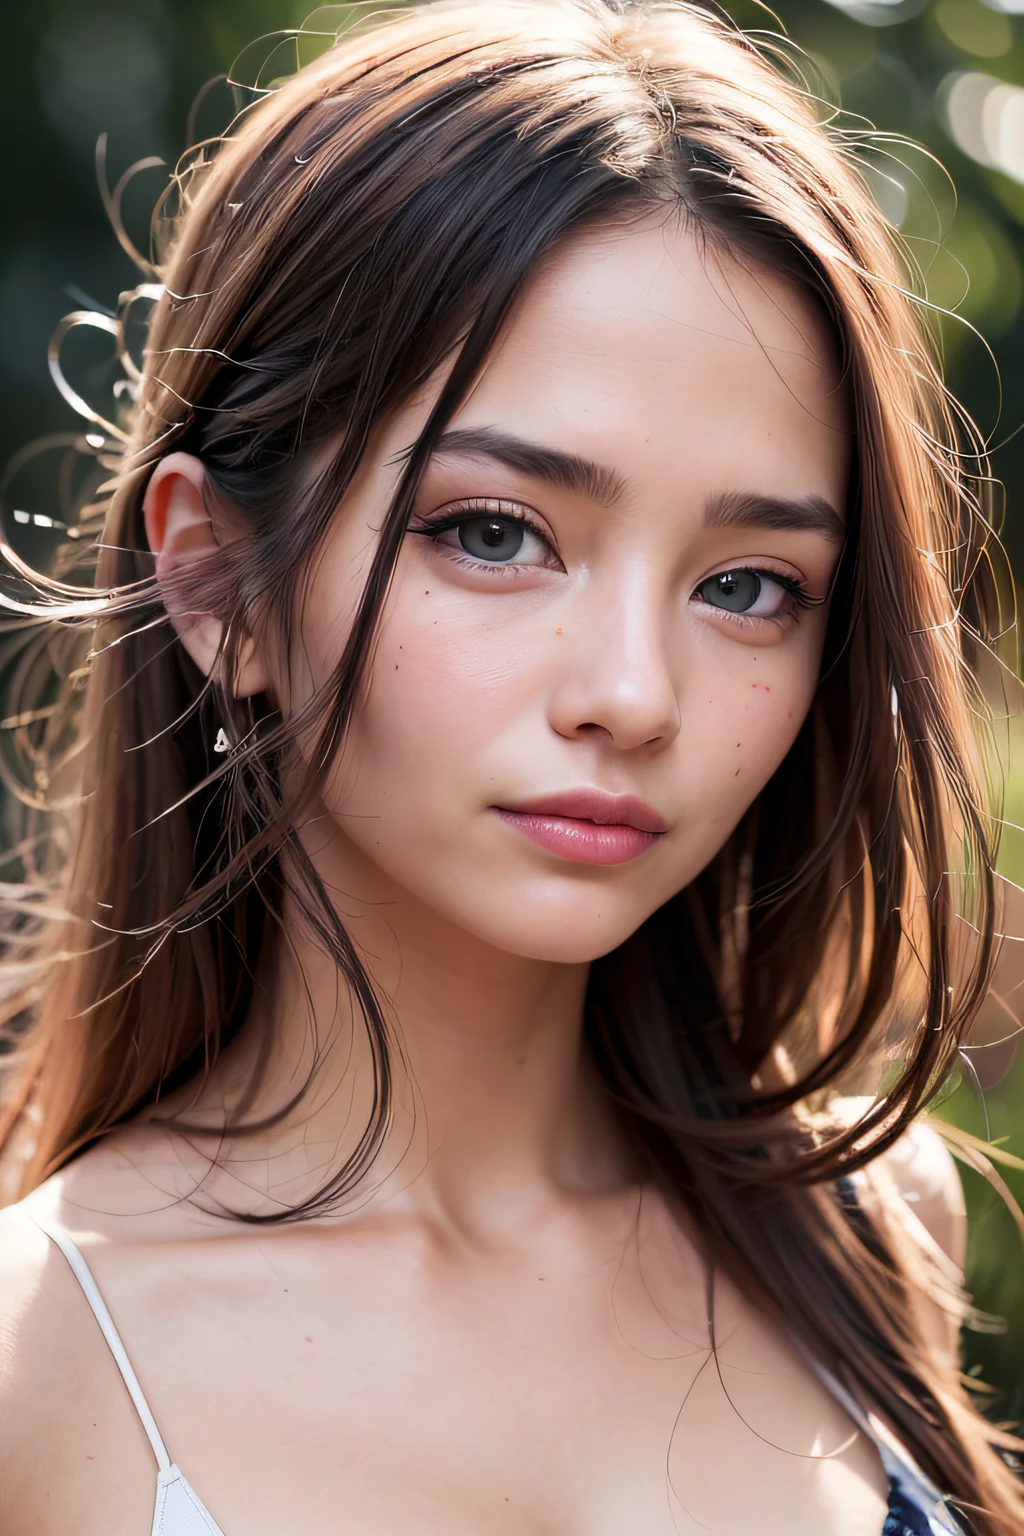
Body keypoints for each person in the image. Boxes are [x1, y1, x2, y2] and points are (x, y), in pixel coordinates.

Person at [0, 1, 1021, 1531]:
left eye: (749, 584)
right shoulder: (43, 1359)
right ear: (217, 583)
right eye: (495, 533)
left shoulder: (872, 1235)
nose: (632, 694)